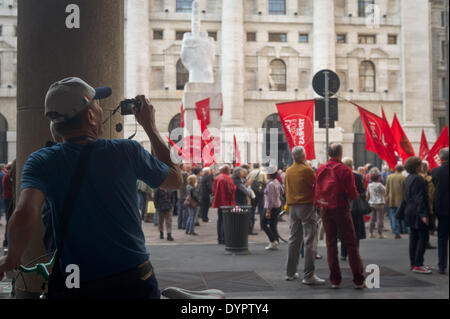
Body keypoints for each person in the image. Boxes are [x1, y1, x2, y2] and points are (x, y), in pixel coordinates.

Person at [0, 77, 182, 299]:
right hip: (131, 276)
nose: (100, 109)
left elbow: (25, 212)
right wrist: (150, 127)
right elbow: (175, 180)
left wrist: (12, 257)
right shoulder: (127, 151)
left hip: (74, 277)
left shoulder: (41, 161)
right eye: (97, 104)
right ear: (90, 116)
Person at [316, 144, 365, 289]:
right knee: (350, 243)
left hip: (325, 208)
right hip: (341, 208)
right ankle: (358, 279)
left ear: (328, 153)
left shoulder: (321, 168)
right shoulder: (345, 170)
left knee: (331, 244)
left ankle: (335, 280)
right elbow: (353, 194)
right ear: (340, 153)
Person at [285, 146, 325, 285]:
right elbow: (316, 187)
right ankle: (308, 275)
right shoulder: (307, 170)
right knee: (310, 240)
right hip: (306, 206)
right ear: (303, 156)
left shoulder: (288, 171)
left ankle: (290, 272)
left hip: (292, 207)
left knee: (294, 239)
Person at [403, 156, 432, 274]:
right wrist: (423, 214)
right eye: (420, 165)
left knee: (414, 237)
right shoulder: (419, 179)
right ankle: (418, 263)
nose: (422, 167)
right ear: (416, 166)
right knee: (423, 237)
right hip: (417, 211)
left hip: (410, 210)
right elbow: (419, 198)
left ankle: (413, 262)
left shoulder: (408, 178)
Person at [341, 157, 366, 261]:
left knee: (344, 230)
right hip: (355, 207)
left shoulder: (340, 176)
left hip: (343, 206)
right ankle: (355, 253)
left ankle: (343, 253)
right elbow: (362, 192)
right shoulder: (357, 176)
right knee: (356, 230)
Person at [432, 148, 449, 275]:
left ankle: (442, 266)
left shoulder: (436, 171)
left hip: (442, 209)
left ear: (441, 158)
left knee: (442, 238)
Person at [211, 165, 236, 245]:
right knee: (225, 221)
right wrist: (235, 187)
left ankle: (220, 238)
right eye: (229, 170)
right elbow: (231, 190)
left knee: (220, 220)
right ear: (226, 170)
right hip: (226, 202)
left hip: (219, 202)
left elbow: (214, 190)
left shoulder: (217, 178)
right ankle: (224, 238)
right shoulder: (227, 178)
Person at [262, 170, 282, 251]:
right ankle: (275, 241)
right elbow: (282, 191)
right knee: (273, 224)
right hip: (277, 205)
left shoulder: (270, 184)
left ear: (270, 175)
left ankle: (273, 241)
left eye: (267, 173)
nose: (266, 174)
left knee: (263, 223)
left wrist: (268, 210)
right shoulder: (277, 181)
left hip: (270, 207)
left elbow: (270, 199)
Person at [385, 164, 406, 239]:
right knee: (402, 215)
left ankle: (396, 231)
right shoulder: (403, 177)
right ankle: (403, 229)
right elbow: (405, 189)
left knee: (393, 216)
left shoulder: (389, 177)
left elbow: (386, 189)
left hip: (392, 199)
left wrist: (386, 197)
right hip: (401, 199)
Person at [367, 167, 386, 239]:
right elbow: (385, 192)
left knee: (372, 219)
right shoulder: (380, 185)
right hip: (380, 203)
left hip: (372, 203)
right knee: (380, 219)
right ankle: (380, 234)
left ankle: (370, 233)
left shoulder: (369, 185)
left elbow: (367, 195)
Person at [247, 164, 267, 235]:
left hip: (253, 193)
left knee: (252, 209)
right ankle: (262, 226)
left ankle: (251, 226)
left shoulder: (251, 172)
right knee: (261, 209)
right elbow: (265, 181)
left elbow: (247, 181)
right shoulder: (262, 172)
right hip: (260, 192)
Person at [177, 164, 189, 230]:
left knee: (180, 210)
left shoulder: (178, 174)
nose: (186, 167)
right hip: (184, 194)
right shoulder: (184, 174)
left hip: (179, 194)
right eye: (185, 166)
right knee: (185, 210)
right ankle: (184, 225)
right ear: (182, 167)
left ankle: (179, 224)